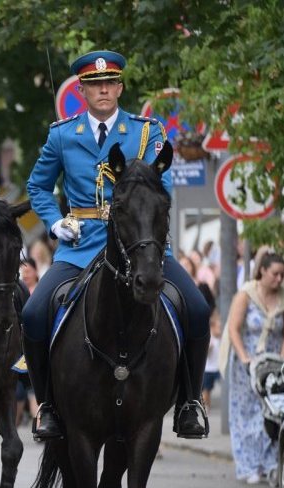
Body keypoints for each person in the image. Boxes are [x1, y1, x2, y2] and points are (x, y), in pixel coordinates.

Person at [21, 50, 211, 441]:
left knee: (196, 308)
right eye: (94, 85)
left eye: (110, 84)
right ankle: (47, 406)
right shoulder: (62, 135)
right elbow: (37, 187)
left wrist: (153, 236)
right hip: (80, 247)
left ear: (120, 87)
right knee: (34, 313)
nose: (103, 90)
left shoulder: (146, 133)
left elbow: (162, 190)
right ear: (83, 91)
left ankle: (190, 403)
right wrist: (56, 222)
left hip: (141, 248)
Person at [221, 253, 284, 484]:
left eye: (282, 274)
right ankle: (249, 465)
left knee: (271, 412)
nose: (279, 279)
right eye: (275, 274)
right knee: (245, 415)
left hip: (273, 365)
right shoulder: (246, 294)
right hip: (247, 364)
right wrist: (245, 358)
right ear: (262, 271)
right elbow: (234, 328)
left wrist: (282, 360)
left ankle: (269, 463)